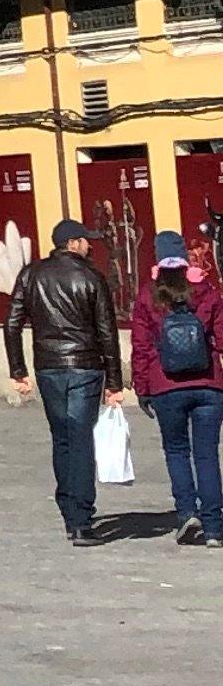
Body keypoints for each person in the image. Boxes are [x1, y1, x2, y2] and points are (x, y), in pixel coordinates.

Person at [4, 216, 124, 545]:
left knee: (62, 438)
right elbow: (106, 334)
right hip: (86, 366)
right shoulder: (92, 277)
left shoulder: (31, 275)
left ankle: (69, 512)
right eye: (86, 240)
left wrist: (18, 369)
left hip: (49, 368)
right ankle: (83, 520)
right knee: (81, 438)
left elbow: (12, 323)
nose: (89, 245)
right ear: (72, 242)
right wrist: (115, 381)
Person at [130, 229, 223, 546]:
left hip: (165, 385)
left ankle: (187, 513)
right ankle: (214, 528)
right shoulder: (207, 291)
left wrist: (142, 388)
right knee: (207, 455)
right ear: (185, 256)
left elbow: (141, 347)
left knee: (177, 451)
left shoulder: (148, 294)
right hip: (209, 385)